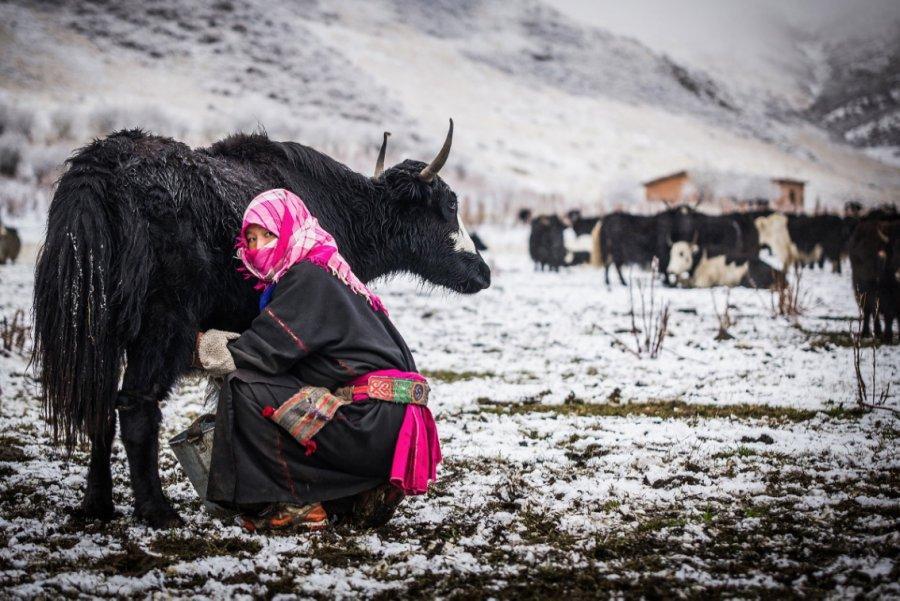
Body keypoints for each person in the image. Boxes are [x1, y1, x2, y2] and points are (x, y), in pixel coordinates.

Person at [196, 188, 441, 532]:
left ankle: (293, 505)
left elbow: (259, 354)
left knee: (245, 388)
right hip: (393, 421)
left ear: (293, 229)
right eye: (250, 239)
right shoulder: (334, 274)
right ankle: (358, 494)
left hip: (373, 420)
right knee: (288, 392)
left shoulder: (305, 277)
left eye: (268, 235)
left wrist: (200, 347)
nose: (257, 248)